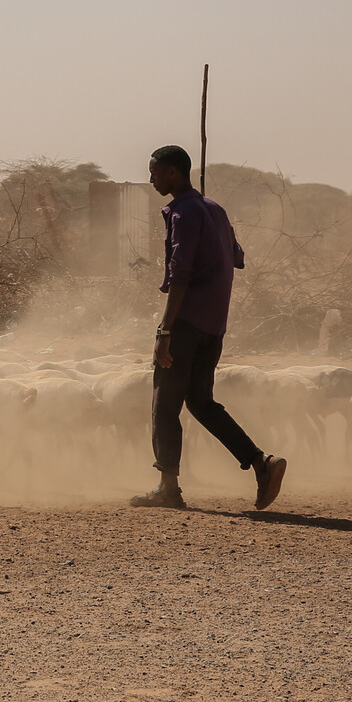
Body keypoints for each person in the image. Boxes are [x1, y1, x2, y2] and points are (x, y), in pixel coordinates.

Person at [131, 145, 286, 510]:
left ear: (173, 173)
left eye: (155, 172)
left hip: (185, 322)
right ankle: (261, 462)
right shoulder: (214, 209)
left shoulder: (183, 212)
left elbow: (179, 273)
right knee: (200, 401)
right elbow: (237, 257)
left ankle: (168, 488)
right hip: (214, 324)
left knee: (164, 404)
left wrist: (164, 332)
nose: (151, 179)